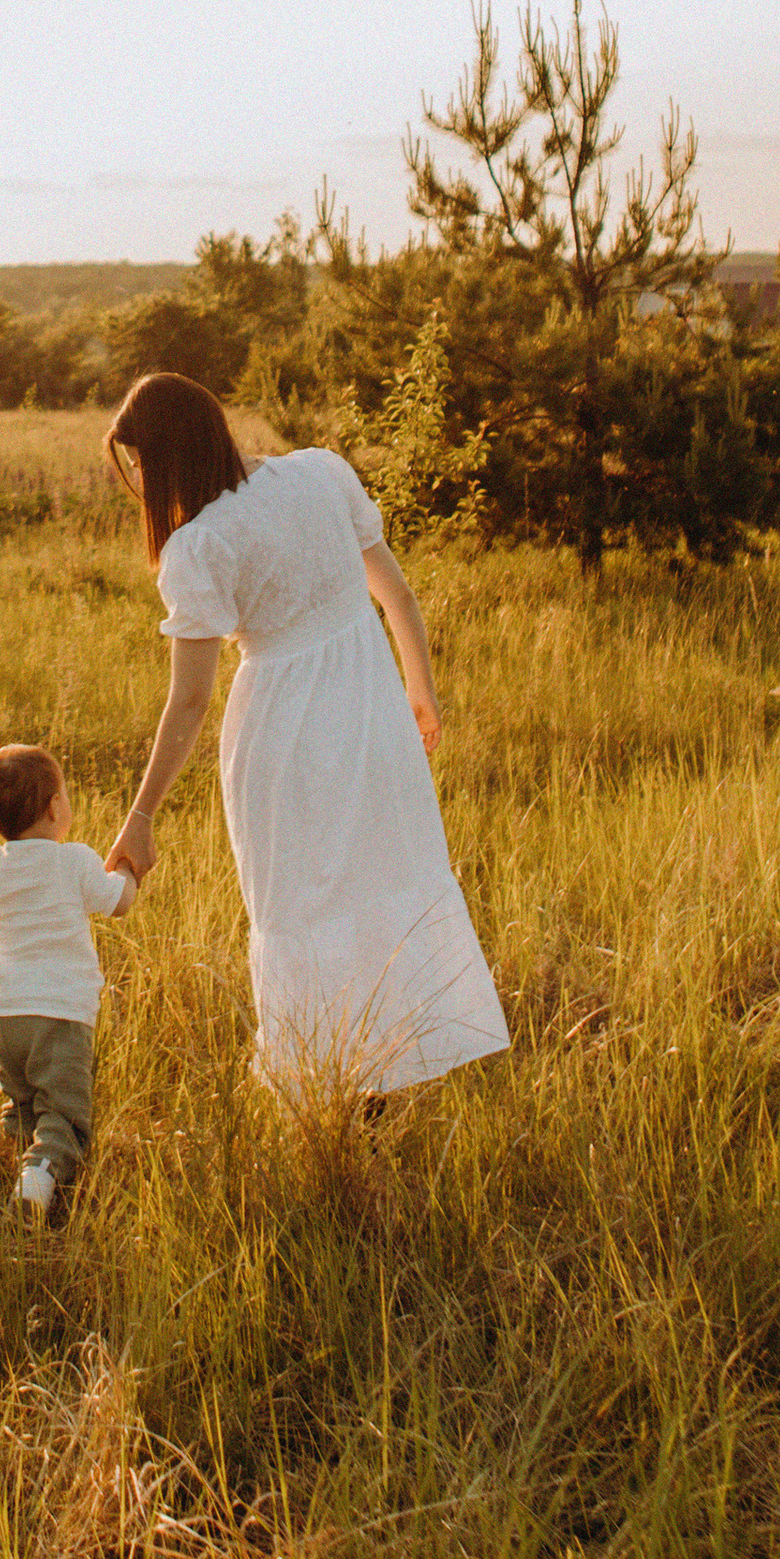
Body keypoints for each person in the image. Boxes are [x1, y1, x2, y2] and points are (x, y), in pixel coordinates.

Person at [103, 372, 507, 1100]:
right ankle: (382, 1075)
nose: (140, 484)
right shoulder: (322, 471)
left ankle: (330, 1087)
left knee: (302, 905)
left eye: (141, 465)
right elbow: (398, 593)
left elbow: (190, 699)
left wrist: (141, 815)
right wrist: (419, 690)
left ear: (164, 458)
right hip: (371, 709)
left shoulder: (200, 544)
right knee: (384, 878)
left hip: (282, 736)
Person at [0, 741, 139, 1211]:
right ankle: (41, 1179)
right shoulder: (74, 861)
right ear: (56, 807)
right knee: (64, 1114)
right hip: (61, 1016)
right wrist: (131, 867)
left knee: (23, 1106)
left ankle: (25, 1171)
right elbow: (120, 901)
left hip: (5, 1016)